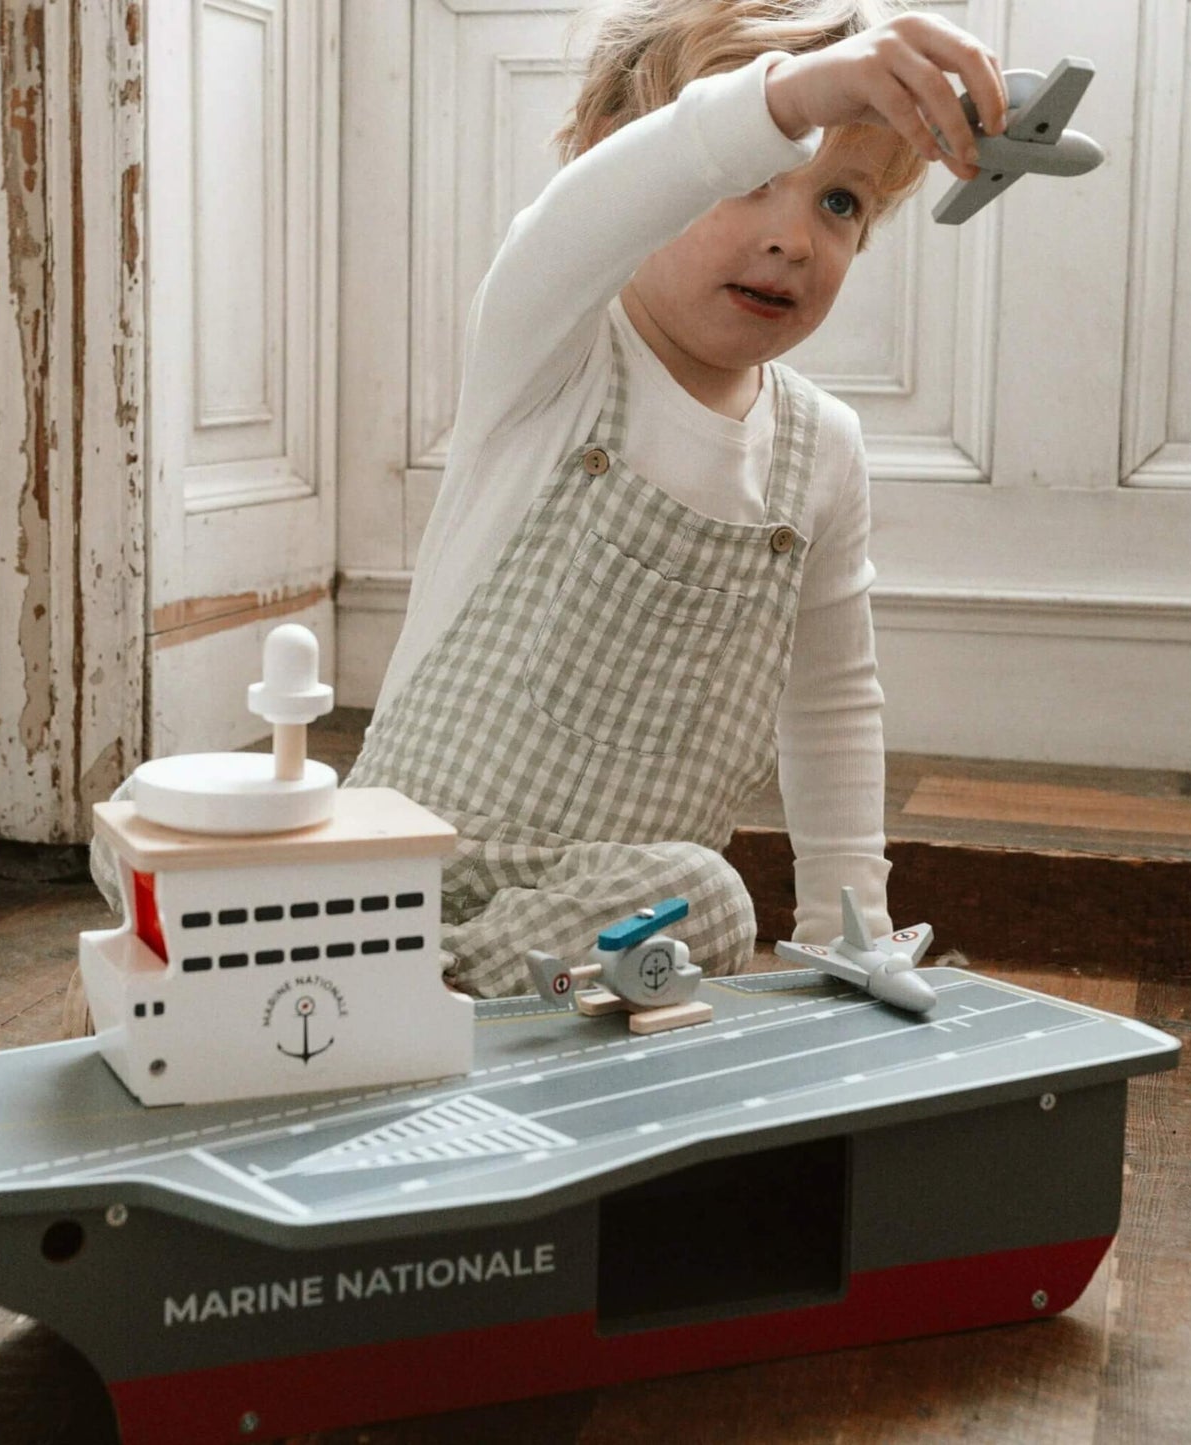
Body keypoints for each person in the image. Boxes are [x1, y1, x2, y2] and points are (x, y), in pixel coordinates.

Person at [343, 0, 1007, 999]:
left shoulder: (821, 449)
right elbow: (581, 217)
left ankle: (414, 1006)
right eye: (748, 178)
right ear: (636, 164)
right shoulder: (550, 348)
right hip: (403, 859)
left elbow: (830, 701)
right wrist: (791, 97)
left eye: (838, 202)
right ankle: (358, 977)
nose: (792, 238)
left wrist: (849, 931)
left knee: (709, 901)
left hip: (600, 907)